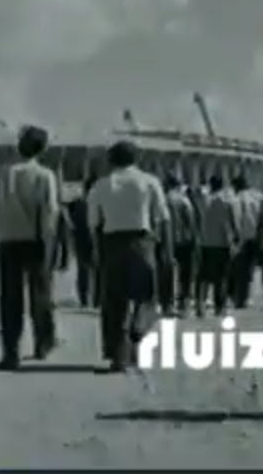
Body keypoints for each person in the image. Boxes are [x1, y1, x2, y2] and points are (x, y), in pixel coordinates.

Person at [87, 140, 170, 372]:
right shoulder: (149, 181)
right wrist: (163, 249)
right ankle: (138, 330)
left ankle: (118, 355)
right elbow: (163, 218)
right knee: (146, 296)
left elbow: (94, 223)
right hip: (142, 241)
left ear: (110, 160)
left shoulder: (101, 185)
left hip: (111, 243)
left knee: (114, 301)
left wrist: (96, 252)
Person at [0, 125, 61, 370]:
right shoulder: (44, 175)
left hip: (7, 239)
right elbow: (50, 212)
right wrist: (49, 241)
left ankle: (11, 351)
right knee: (40, 294)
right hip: (35, 240)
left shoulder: (2, 173)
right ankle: (42, 342)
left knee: (10, 297)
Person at [197, 175, 239, 317]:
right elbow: (231, 221)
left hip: (205, 242)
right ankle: (219, 307)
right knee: (221, 277)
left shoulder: (205, 200)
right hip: (221, 242)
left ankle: (200, 304)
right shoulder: (226, 200)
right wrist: (235, 238)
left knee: (204, 276)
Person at [164, 174, 199, 316]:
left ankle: (167, 303)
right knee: (186, 273)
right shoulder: (183, 200)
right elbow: (190, 220)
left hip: (166, 240)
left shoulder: (164, 199)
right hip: (184, 241)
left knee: (167, 273)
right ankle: (184, 303)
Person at [227, 174, 263, 309]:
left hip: (242, 238)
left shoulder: (237, 199)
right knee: (249, 271)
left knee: (238, 270)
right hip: (255, 238)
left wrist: (235, 237)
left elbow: (237, 218)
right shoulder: (257, 198)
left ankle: (238, 298)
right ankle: (245, 297)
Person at [65, 174, 100, 308]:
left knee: (83, 270)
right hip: (96, 238)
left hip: (81, 239)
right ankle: (97, 300)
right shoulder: (99, 201)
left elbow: (70, 221)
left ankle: (84, 298)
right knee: (98, 271)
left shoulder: (77, 203)